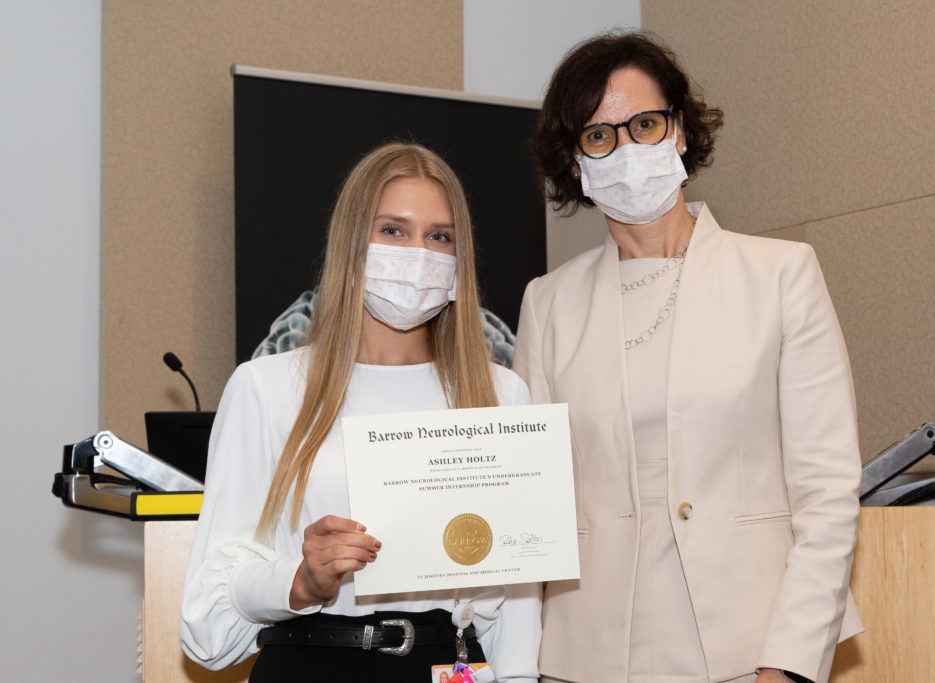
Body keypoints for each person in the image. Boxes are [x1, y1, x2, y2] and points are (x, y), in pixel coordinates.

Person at [514, 32, 863, 683]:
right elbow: (533, 506)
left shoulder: (781, 274)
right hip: (585, 657)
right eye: (598, 136)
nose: (626, 150)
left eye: (644, 124)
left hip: (746, 651)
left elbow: (828, 492)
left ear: (678, 131)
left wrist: (786, 665)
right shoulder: (548, 304)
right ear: (574, 162)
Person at [181, 143, 541, 682]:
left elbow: (516, 607)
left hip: (450, 665)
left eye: (439, 237)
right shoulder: (266, 388)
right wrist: (300, 581)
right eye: (393, 230)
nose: (418, 253)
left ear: (459, 260)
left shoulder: (501, 396)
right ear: (352, 245)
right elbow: (205, 627)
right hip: (308, 664)